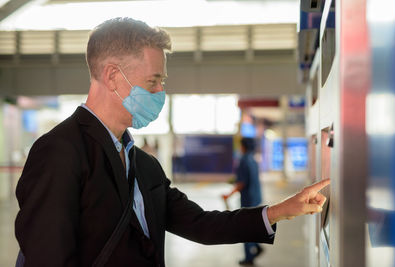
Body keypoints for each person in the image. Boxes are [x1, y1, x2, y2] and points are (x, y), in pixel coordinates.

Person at [14, 17, 330, 267]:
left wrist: (280, 211)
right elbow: (48, 258)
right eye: (153, 81)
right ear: (112, 76)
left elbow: (201, 225)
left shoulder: (145, 166)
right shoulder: (59, 152)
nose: (160, 93)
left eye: (162, 82)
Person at [222, 137, 264, 265]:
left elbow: (241, 183)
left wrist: (228, 195)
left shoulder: (243, 161)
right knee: (251, 225)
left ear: (243, 146)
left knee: (245, 228)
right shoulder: (253, 160)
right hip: (256, 197)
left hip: (248, 199)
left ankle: (248, 258)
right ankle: (256, 246)